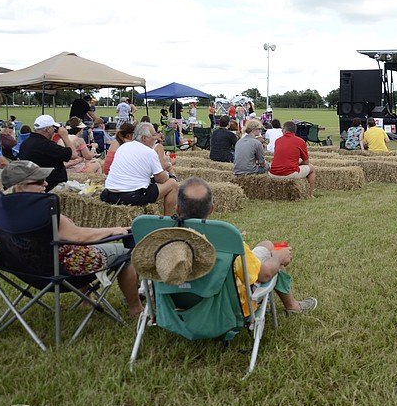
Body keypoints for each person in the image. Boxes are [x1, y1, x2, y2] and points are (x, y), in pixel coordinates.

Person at [2, 160, 143, 316]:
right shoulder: (45, 213)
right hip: (65, 271)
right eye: (39, 181)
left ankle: (86, 300)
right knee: (126, 253)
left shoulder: (1, 212)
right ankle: (136, 309)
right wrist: (113, 230)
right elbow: (79, 237)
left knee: (75, 247)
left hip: (27, 270)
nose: (46, 184)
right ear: (20, 186)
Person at [176, 177, 317, 314]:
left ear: (177, 209)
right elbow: (265, 274)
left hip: (178, 301)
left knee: (266, 245)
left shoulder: (163, 241)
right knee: (271, 254)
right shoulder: (227, 241)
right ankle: (292, 305)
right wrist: (278, 258)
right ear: (212, 209)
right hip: (228, 305)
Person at [101, 122, 178, 215]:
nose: (156, 138)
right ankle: (167, 220)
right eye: (153, 135)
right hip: (132, 195)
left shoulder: (123, 147)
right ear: (144, 138)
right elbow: (161, 179)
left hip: (109, 194)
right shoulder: (149, 152)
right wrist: (168, 172)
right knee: (172, 184)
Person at [19, 115, 76, 192]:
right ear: (48, 129)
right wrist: (64, 136)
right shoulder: (46, 145)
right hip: (50, 187)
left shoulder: (25, 143)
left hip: (31, 185)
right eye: (53, 129)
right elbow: (73, 155)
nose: (54, 131)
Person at [269, 120, 316, 197]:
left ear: (284, 130)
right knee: (312, 168)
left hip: (273, 173)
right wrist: (299, 163)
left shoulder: (278, 141)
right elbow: (306, 162)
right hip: (289, 173)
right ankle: (310, 194)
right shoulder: (300, 141)